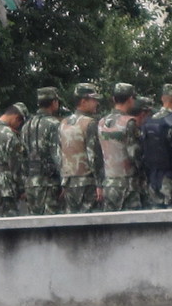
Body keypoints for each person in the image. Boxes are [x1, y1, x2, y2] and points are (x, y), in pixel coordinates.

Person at [59, 83, 103, 213]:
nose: (96, 103)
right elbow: (94, 157)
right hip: (87, 183)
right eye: (94, 100)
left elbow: (59, 154)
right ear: (84, 101)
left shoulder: (63, 123)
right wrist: (100, 184)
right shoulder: (90, 123)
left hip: (68, 183)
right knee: (91, 224)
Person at [98, 83, 143, 211]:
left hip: (109, 182)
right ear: (130, 100)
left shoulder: (101, 122)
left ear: (113, 99)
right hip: (128, 184)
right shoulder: (129, 123)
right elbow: (134, 154)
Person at [141, 84, 172, 208]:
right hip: (171, 179)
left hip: (153, 177)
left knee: (156, 219)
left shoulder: (148, 121)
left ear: (162, 98)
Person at [20, 87, 63, 215]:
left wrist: (24, 183)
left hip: (30, 184)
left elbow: (22, 157)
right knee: (52, 225)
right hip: (49, 184)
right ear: (54, 102)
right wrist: (65, 182)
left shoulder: (26, 125)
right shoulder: (53, 124)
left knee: (34, 224)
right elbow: (57, 156)